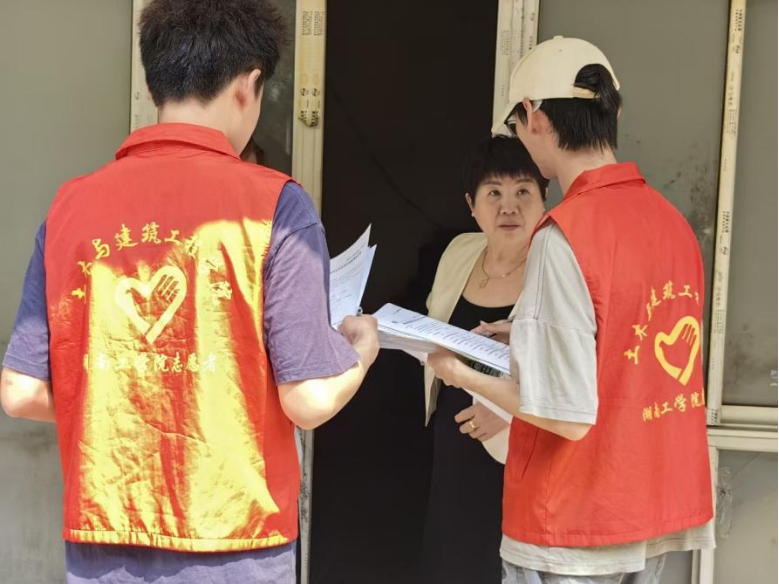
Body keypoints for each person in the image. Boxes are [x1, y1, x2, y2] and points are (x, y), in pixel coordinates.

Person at [0, 1, 379, 583]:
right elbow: (308, 399)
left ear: (155, 81)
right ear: (249, 85)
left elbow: (21, 391)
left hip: (106, 541)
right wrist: (363, 349)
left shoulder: (70, 207)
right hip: (237, 543)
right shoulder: (276, 206)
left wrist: (129, 391)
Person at [428, 37, 714, 583]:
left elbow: (564, 414)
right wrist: (526, 333)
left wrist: (458, 372)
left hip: (573, 520)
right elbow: (629, 341)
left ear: (533, 116)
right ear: (614, 113)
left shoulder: (564, 234)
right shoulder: (672, 223)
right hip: (651, 508)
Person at [418, 136, 548, 583]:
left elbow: (581, 363)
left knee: (498, 565)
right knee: (450, 558)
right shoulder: (460, 251)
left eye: (523, 191)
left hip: (521, 448)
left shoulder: (556, 266)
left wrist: (509, 412)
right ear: (472, 204)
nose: (508, 206)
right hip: (453, 441)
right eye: (494, 192)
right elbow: (435, 324)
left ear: (544, 198)